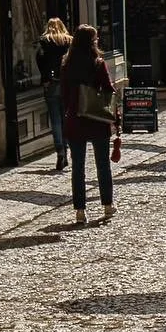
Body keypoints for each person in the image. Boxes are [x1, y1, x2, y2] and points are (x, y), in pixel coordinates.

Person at [60, 24, 119, 225]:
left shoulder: (67, 65)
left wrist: (73, 107)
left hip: (76, 120)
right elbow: (109, 90)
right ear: (91, 42)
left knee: (78, 167)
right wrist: (113, 115)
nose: (97, 42)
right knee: (102, 165)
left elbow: (64, 95)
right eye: (95, 39)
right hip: (96, 119)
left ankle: (80, 211)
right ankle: (107, 205)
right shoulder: (97, 63)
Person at [35, 17, 71, 170]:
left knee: (55, 120)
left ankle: (60, 151)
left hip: (51, 83)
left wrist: (45, 78)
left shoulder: (44, 42)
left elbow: (40, 60)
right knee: (66, 119)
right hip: (66, 83)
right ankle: (67, 148)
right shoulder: (69, 41)